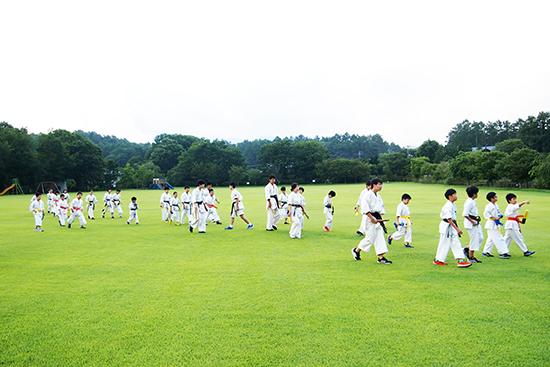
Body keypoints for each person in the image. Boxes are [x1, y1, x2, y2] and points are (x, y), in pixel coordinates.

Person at [351, 178, 392, 264]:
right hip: (369, 218)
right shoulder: (367, 195)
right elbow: (365, 208)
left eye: (381, 184)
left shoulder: (378, 196)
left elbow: (381, 208)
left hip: (377, 218)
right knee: (369, 238)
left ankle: (381, 257)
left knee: (380, 237)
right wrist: (371, 218)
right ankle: (356, 250)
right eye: (379, 184)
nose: (381, 186)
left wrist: (380, 218)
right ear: (374, 185)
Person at [432, 189, 472, 267]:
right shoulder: (448, 206)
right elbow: (449, 219)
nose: (456, 196)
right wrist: (457, 229)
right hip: (447, 227)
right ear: (450, 196)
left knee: (455, 243)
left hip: (450, 226)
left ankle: (460, 260)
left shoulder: (452, 205)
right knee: (444, 243)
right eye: (455, 194)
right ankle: (438, 260)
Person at [481, 192, 511, 258]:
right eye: (495, 197)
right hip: (491, 224)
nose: (496, 197)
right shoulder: (489, 206)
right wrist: (494, 217)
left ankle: (486, 251)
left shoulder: (496, 205)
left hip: (495, 224)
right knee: (499, 238)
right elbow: (486, 214)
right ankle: (502, 252)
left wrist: (499, 216)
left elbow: (498, 213)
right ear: (491, 199)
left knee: (491, 239)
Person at [462, 186, 483, 263]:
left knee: (480, 237)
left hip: (475, 222)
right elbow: (465, 214)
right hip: (471, 223)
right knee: (474, 239)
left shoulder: (472, 201)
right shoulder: (469, 202)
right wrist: (472, 221)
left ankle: (467, 249)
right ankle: (471, 256)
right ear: (474, 194)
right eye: (476, 193)